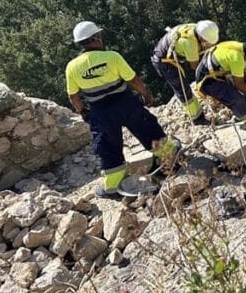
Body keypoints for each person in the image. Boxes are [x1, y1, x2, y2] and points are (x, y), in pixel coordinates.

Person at [66, 21, 180, 198]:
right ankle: (170, 161)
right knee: (148, 129)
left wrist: (84, 112)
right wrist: (146, 95)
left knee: (108, 146)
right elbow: (133, 80)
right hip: (125, 102)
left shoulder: (72, 67)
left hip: (100, 111)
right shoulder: (112, 56)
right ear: (95, 38)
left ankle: (112, 187)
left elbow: (73, 97)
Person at [195, 36, 246, 131]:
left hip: (212, 74)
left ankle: (240, 112)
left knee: (236, 94)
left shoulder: (236, 45)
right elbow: (239, 84)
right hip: (207, 82)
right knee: (236, 100)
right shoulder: (237, 58)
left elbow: (237, 70)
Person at [151, 20, 219, 125]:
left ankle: (198, 112)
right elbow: (195, 67)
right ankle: (197, 118)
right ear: (201, 37)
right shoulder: (189, 43)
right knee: (182, 89)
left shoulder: (197, 28)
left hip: (171, 52)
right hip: (164, 62)